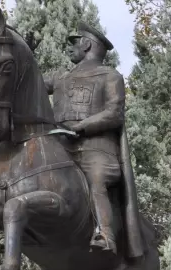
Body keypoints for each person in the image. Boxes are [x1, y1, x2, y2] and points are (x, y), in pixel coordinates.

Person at [47, 24, 138, 255]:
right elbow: (28, 82)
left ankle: (105, 234)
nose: (70, 49)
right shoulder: (60, 77)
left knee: (95, 180)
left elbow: (114, 113)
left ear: (86, 44)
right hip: (62, 148)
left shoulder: (110, 76)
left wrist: (82, 127)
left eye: (74, 43)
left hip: (97, 150)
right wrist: (24, 51)